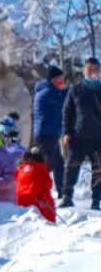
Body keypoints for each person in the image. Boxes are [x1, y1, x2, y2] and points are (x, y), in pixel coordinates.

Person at [59, 57, 101, 210]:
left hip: (98, 138)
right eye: (89, 69)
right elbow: (66, 113)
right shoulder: (75, 89)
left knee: (98, 169)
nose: (92, 72)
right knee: (71, 167)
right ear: (84, 71)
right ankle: (66, 197)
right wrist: (66, 133)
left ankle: (96, 200)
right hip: (77, 136)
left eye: (95, 69)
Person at [32, 65, 68, 198]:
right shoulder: (46, 92)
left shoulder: (50, 90)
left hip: (50, 133)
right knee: (50, 164)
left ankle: (62, 192)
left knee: (59, 163)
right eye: (60, 79)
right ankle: (34, 189)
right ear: (53, 79)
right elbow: (62, 103)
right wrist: (69, 92)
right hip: (45, 133)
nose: (62, 81)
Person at [15, 147, 56, 222]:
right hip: (40, 202)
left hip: (21, 202)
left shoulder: (20, 169)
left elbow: (16, 178)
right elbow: (48, 184)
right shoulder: (40, 169)